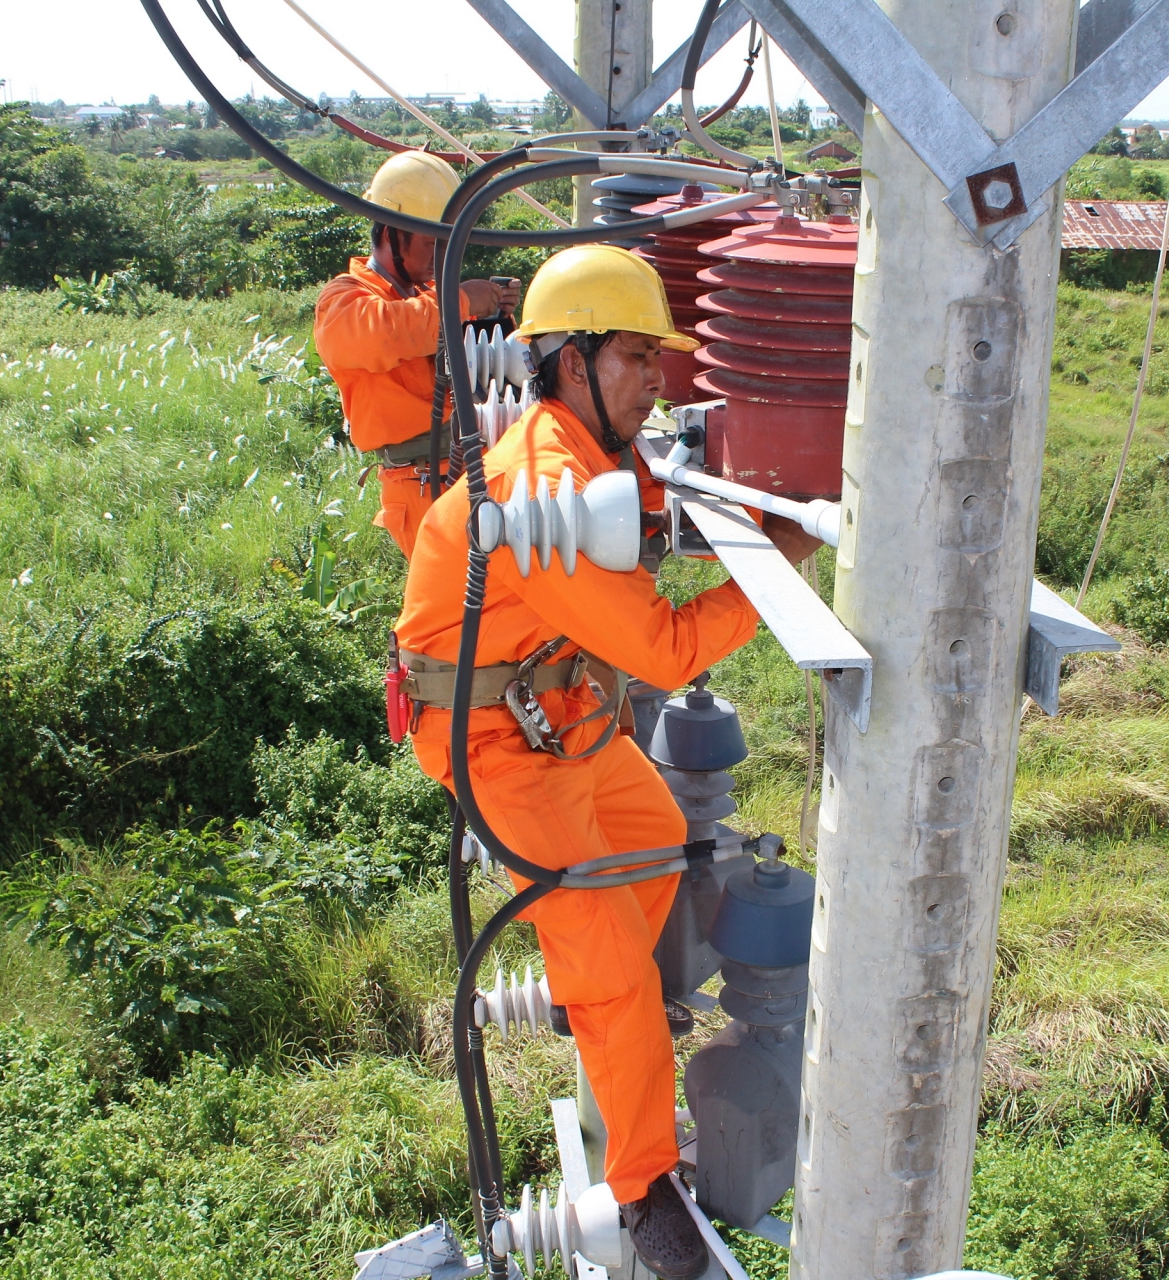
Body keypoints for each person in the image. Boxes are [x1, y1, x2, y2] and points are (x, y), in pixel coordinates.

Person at [391, 244, 818, 1279]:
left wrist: (735, 521)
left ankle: (608, 1010)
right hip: (493, 739)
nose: (655, 378)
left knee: (656, 838)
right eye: (637, 355)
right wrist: (780, 568)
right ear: (573, 361)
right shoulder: (546, 484)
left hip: (561, 713)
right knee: (619, 967)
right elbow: (668, 648)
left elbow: (644, 535)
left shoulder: (587, 448)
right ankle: (640, 1191)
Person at [314, 149, 522, 560]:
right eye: (431, 242)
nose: (438, 255)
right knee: (454, 607)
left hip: (465, 466)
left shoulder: (428, 298)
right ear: (392, 231)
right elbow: (388, 334)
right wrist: (461, 300)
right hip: (418, 482)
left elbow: (483, 366)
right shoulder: (343, 301)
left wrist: (496, 315)